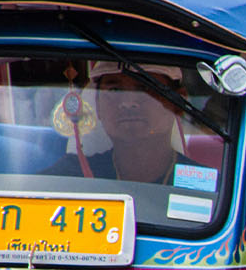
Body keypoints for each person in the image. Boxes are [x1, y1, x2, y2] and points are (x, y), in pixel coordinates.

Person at [43, 62, 201, 183]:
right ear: (98, 104)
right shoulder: (71, 177)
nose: (128, 102)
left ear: (178, 103)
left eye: (145, 88)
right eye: (114, 90)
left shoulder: (200, 184)